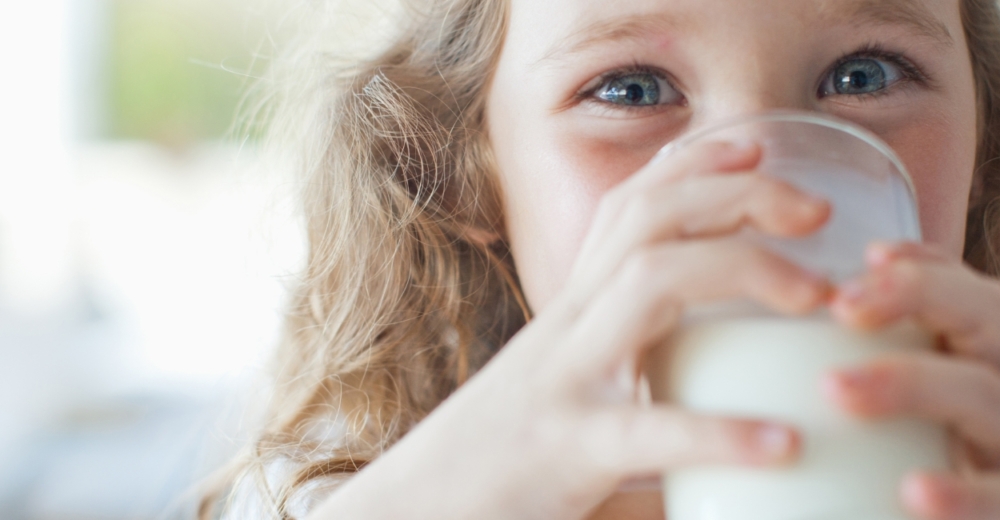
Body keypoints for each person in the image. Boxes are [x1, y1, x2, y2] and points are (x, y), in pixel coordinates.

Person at [204, 0, 1000, 518]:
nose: (764, 182)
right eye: (631, 90)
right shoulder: (363, 477)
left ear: (983, 142)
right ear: (465, 176)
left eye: (864, 75)